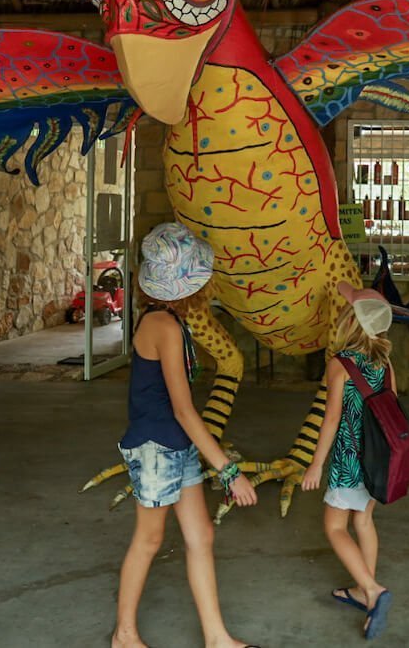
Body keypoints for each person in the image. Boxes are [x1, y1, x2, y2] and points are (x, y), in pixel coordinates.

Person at [112, 222, 260, 648]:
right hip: (157, 448)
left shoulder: (166, 320)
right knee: (149, 539)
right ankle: (124, 635)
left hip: (176, 445)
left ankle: (217, 638)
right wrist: (229, 471)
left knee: (201, 536)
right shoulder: (165, 326)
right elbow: (183, 409)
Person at [301, 281, 397, 640]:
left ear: (350, 321)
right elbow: (392, 411)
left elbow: (331, 419)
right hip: (379, 460)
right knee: (364, 521)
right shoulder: (385, 363)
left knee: (335, 527)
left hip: (349, 461)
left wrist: (316, 463)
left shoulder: (339, 364)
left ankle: (372, 590)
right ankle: (362, 589)